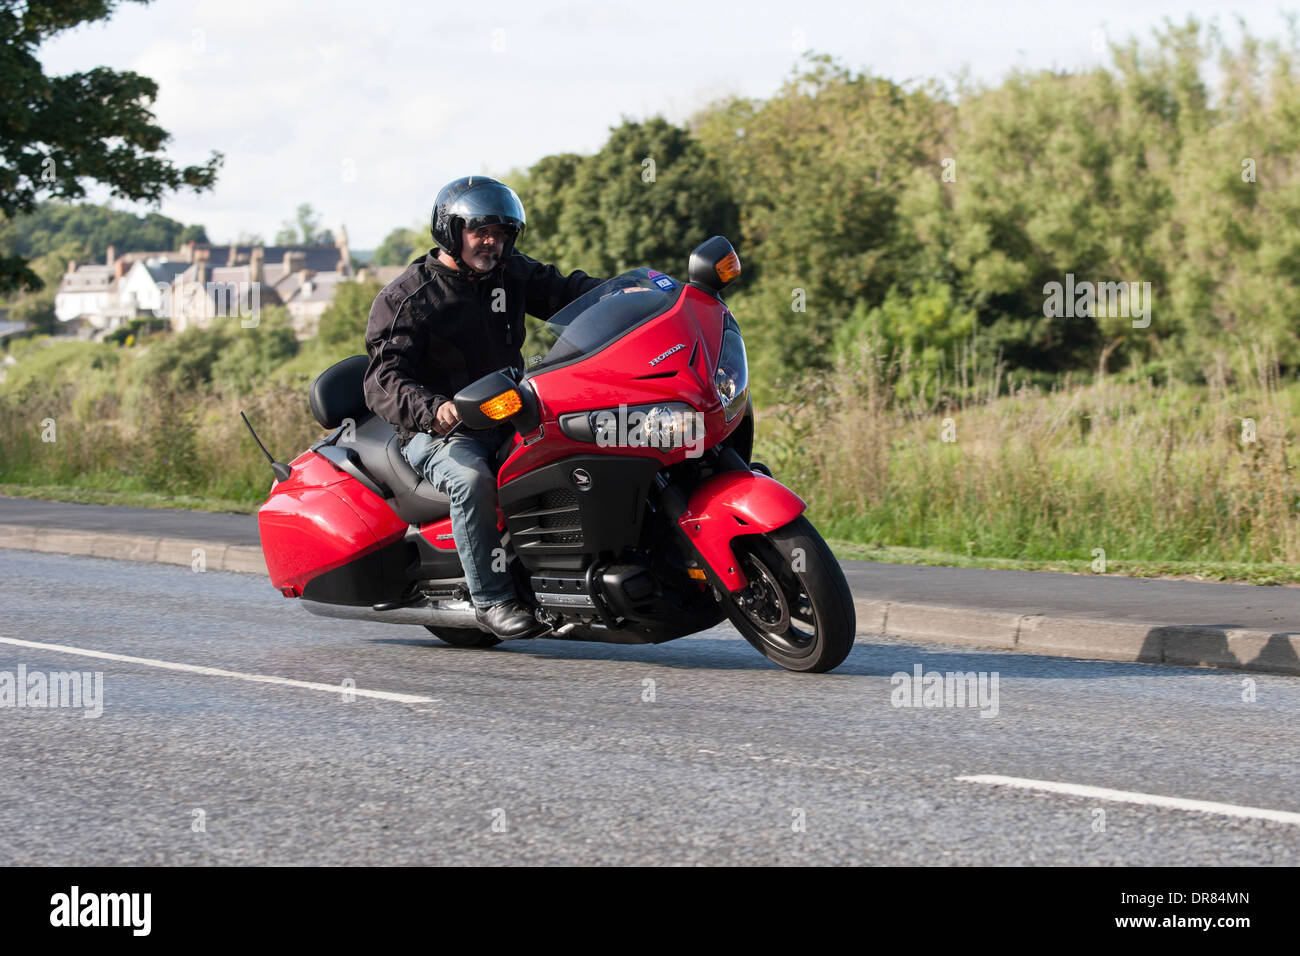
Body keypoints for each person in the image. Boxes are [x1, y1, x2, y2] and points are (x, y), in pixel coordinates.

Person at [362, 176, 604, 639]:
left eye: (501, 233)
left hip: (511, 410)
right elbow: (382, 380)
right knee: (471, 480)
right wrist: (435, 409)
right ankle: (491, 599)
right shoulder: (408, 297)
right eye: (481, 232)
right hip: (440, 432)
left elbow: (569, 292)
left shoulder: (509, 272)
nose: (493, 242)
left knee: (586, 438)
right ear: (451, 231)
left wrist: (627, 295)